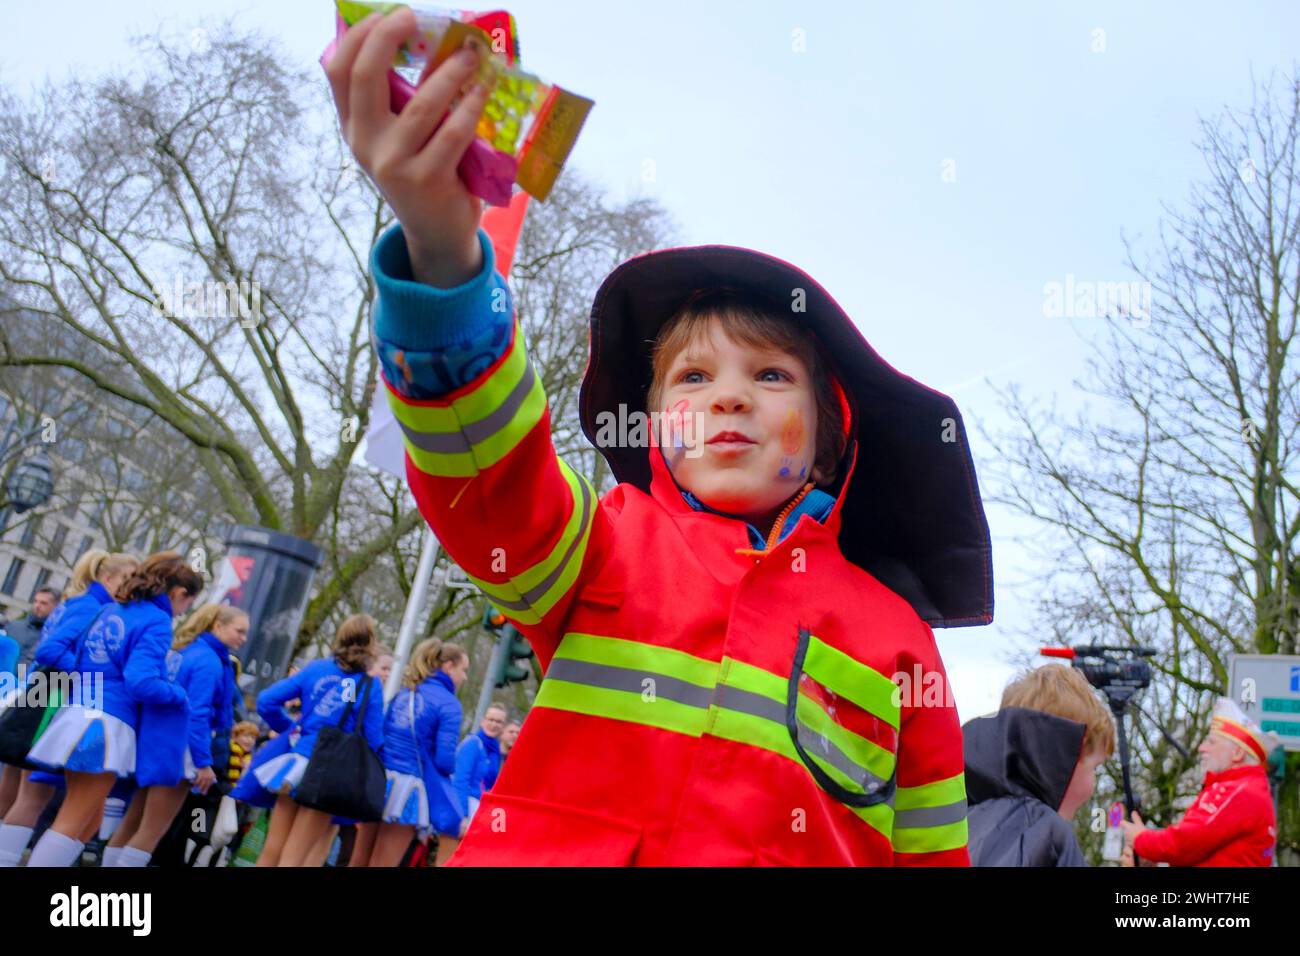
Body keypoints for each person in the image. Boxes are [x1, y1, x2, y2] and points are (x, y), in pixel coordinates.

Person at [327, 8, 992, 865]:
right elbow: (491, 474)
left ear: (830, 440)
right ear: (653, 425)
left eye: (770, 376)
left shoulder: (904, 643)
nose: (727, 400)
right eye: (693, 377)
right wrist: (444, 255)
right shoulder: (602, 543)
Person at [21, 552, 202, 867]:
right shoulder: (157, 620)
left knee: (88, 820)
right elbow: (141, 681)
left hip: (80, 714)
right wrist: (178, 694)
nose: (186, 610)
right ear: (178, 593)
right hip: (107, 724)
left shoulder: (111, 609)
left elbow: (78, 659)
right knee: (74, 820)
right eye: (189, 602)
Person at [0, 550, 139, 866]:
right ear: (107, 578)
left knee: (15, 792)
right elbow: (51, 650)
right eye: (126, 579)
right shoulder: (93, 606)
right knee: (32, 797)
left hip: (40, 696)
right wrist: (84, 676)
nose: (132, 586)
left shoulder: (77, 602)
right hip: (52, 700)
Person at [104, 603, 248, 867]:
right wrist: (204, 763)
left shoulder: (186, 652)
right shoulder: (210, 662)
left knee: (132, 822)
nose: (243, 638)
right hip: (181, 750)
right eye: (239, 631)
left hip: (157, 741)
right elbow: (198, 714)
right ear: (218, 625)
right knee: (152, 831)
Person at [254, 614, 384, 867]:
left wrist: (290, 728)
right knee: (295, 857)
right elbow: (374, 737)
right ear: (370, 643)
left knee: (271, 850)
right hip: (330, 770)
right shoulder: (369, 685)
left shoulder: (316, 669)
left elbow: (266, 700)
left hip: (296, 762)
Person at [963, 664, 1115, 866]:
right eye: (1095, 767)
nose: (1093, 786)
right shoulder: (1046, 834)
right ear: (1074, 750)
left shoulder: (967, 822)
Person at [1120, 697, 1278, 867]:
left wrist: (1142, 839)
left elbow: (1186, 842)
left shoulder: (1239, 792)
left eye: (1211, 742)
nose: (1202, 748)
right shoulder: (1246, 790)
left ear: (1237, 753)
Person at [353, 637, 466, 867]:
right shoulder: (450, 704)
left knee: (358, 859)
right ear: (449, 667)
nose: (465, 677)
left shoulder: (406, 692)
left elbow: (381, 733)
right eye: (464, 670)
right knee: (383, 862)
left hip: (380, 781)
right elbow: (444, 761)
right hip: (408, 789)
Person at [452, 704, 505, 832]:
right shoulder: (473, 743)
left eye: (498, 721)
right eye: (490, 719)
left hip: (480, 809)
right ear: (482, 721)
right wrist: (462, 814)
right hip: (464, 806)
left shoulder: (496, 751)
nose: (494, 724)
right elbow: (460, 780)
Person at [5, 587, 58, 671]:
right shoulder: (13, 626)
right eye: (35, 601)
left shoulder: (54, 636)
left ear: (56, 607)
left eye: (43, 603)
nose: (37, 606)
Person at [227, 721, 260, 787]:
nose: (250, 740)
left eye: (253, 738)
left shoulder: (250, 757)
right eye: (246, 736)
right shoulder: (228, 753)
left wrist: (247, 768)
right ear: (235, 737)